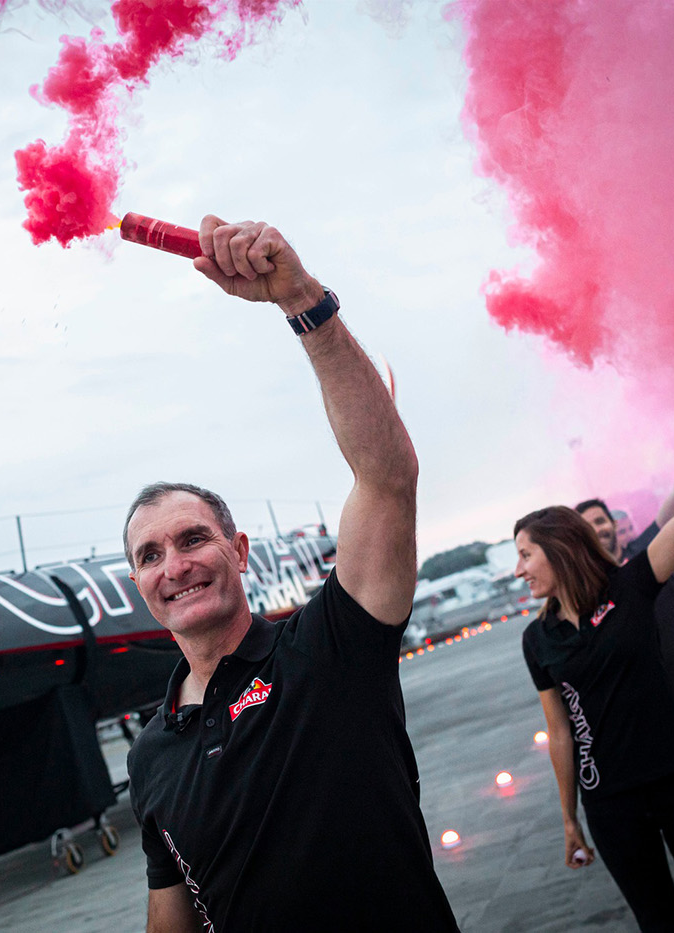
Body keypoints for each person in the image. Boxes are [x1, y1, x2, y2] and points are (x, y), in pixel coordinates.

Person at [124, 215, 459, 932]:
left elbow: (386, 477)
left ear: (239, 550)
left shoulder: (330, 646)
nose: (175, 566)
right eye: (149, 555)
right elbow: (173, 915)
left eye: (193, 539)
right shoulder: (151, 752)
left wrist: (300, 299)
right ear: (138, 585)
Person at [518, 371, 674, 933]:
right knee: (658, 924)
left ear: (558, 550)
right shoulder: (537, 639)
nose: (519, 569)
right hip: (611, 803)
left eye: (526, 555)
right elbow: (560, 731)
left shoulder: (632, 586)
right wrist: (569, 818)